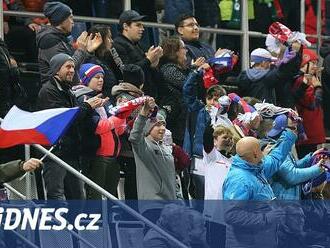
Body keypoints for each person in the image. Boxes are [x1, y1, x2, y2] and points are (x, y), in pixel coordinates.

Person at [37, 53, 104, 200]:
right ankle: (59, 224)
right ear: (56, 69)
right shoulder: (48, 91)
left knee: (78, 197)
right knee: (57, 196)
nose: (72, 70)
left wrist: (90, 108)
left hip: (71, 151)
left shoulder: (68, 90)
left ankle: (74, 223)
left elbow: (76, 118)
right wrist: (87, 106)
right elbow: (63, 118)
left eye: (73, 67)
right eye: (67, 66)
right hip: (55, 152)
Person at [76, 63, 123, 199]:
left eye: (102, 77)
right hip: (96, 156)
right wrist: (117, 118)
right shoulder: (83, 99)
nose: (101, 80)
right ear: (86, 79)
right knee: (94, 199)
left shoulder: (104, 99)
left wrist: (123, 112)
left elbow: (119, 130)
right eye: (96, 77)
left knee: (111, 201)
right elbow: (98, 127)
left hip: (112, 156)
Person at [129, 97, 176, 219]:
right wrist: (143, 114)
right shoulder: (143, 146)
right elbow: (134, 136)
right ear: (148, 128)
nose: (162, 128)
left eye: (164, 125)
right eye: (157, 125)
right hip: (152, 206)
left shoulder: (166, 148)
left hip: (171, 206)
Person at [36, 1, 102, 84]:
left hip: (68, 89)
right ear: (61, 19)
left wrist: (87, 51)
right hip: (55, 92)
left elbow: (76, 65)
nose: (72, 22)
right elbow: (66, 68)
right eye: (70, 18)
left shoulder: (63, 37)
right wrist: (81, 50)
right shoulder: (49, 39)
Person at [223, 127, 297, 200]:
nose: (262, 154)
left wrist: (289, 136)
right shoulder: (238, 182)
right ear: (255, 154)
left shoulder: (255, 167)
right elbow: (234, 211)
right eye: (260, 150)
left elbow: (275, 159)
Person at [265, 114, 324, 200]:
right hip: (284, 204)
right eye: (293, 128)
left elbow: (291, 166)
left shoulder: (281, 145)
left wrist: (309, 158)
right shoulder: (277, 149)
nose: (297, 131)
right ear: (284, 130)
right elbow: (292, 176)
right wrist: (317, 169)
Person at [113, 10, 163, 96]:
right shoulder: (117, 45)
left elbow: (145, 70)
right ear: (125, 26)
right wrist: (148, 60)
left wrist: (153, 65)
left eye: (142, 25)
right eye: (138, 25)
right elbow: (126, 72)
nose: (142, 29)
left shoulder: (137, 45)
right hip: (130, 97)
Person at [236, 46, 301, 104]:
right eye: (269, 62)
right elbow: (285, 72)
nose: (270, 64)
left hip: (247, 111)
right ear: (263, 63)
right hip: (264, 112)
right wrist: (291, 59)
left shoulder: (243, 75)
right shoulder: (268, 76)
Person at [158, 36, 190, 145]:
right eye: (183, 47)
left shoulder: (177, 69)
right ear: (175, 51)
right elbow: (188, 85)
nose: (186, 50)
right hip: (176, 123)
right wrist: (196, 71)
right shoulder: (169, 69)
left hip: (181, 121)